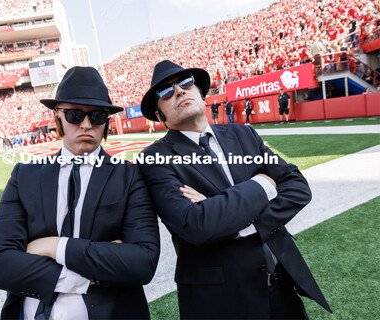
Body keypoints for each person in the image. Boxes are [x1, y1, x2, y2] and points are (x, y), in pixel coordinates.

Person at [138, 60, 331, 319]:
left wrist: (240, 223)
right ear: (160, 116)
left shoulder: (244, 134)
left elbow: (297, 186)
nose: (180, 92)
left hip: (282, 288)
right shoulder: (154, 158)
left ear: (200, 93)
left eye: (185, 83)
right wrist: (263, 184)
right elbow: (197, 224)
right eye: (166, 92)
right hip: (222, 303)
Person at [0, 66, 160, 320]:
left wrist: (54, 246)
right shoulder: (24, 176)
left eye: (98, 116)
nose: (87, 125)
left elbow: (142, 263)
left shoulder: (130, 175)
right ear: (58, 118)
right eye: (75, 115)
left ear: (107, 122)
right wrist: (86, 274)